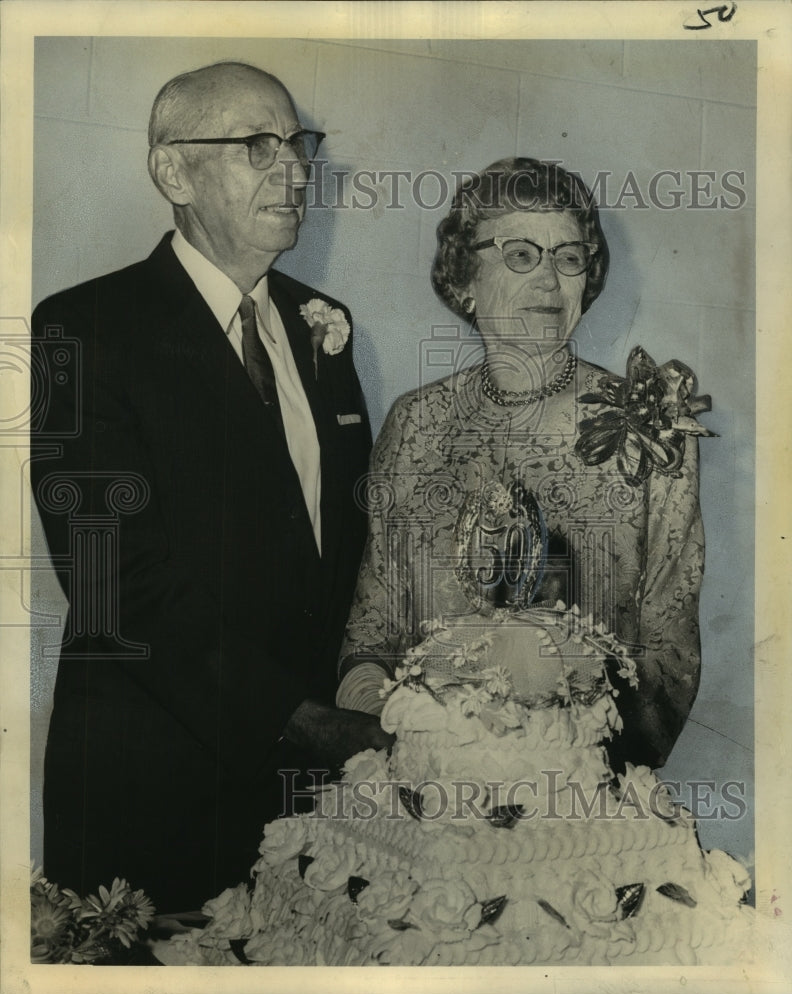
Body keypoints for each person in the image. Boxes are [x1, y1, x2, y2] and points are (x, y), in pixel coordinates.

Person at [30, 61, 391, 915]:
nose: (297, 171)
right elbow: (116, 584)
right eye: (258, 146)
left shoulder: (321, 326)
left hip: (314, 798)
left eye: (299, 146)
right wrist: (304, 719)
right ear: (173, 171)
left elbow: (347, 546)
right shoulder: (82, 328)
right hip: (155, 788)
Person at [336, 157, 714, 770]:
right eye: (520, 255)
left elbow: (669, 650)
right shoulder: (415, 423)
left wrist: (556, 767)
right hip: (424, 790)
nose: (548, 282)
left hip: (581, 802)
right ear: (465, 276)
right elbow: (372, 626)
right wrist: (404, 747)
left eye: (568, 257)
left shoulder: (651, 423)